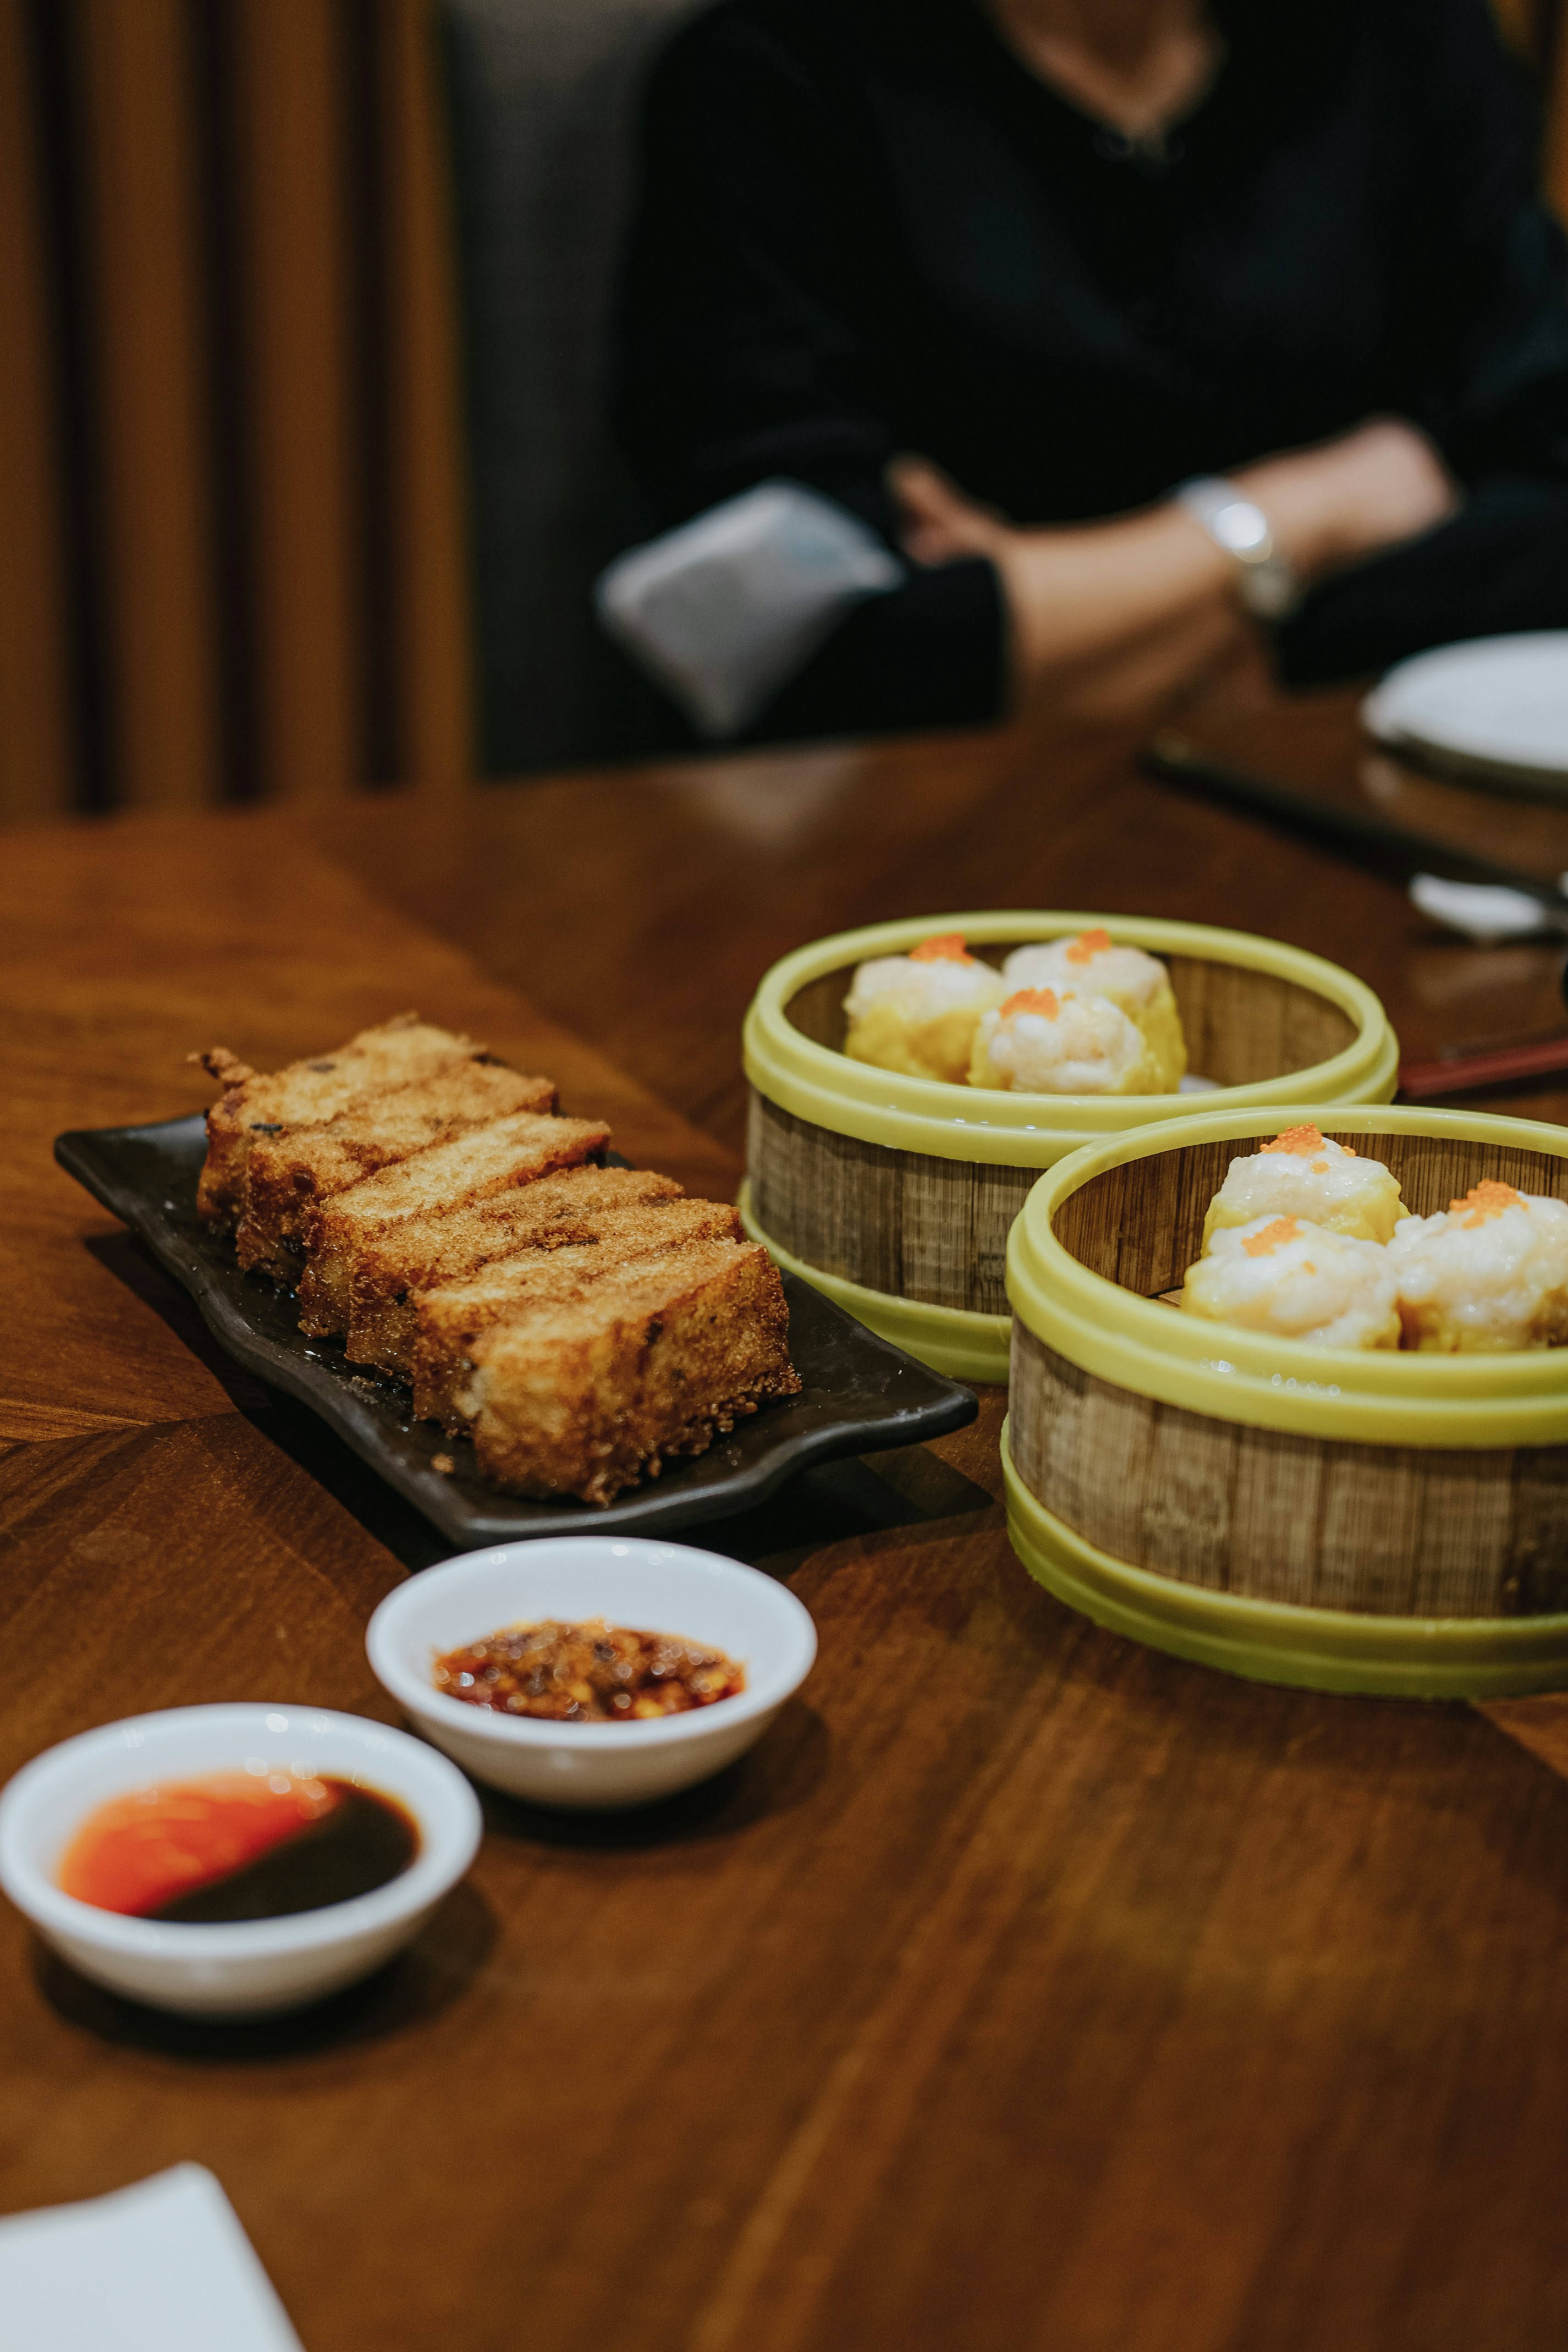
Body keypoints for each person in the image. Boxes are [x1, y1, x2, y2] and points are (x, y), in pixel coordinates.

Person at [597, 0, 1568, 746]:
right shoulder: (774, 74)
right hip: (918, 857)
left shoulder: (1404, 35)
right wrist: (1319, 510)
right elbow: (792, 651)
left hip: (1370, 804)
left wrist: (1052, 608)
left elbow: (1548, 511)